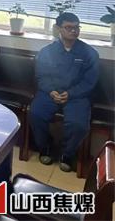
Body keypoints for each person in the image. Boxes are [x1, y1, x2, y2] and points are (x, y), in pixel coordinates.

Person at [30, 12, 99, 172]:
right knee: (36, 114)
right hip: (50, 93)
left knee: (79, 125)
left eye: (77, 27)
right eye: (69, 27)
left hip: (77, 96)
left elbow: (89, 82)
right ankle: (45, 147)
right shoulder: (47, 51)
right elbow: (41, 76)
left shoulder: (89, 53)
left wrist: (71, 93)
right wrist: (51, 91)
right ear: (58, 29)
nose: (74, 31)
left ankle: (67, 154)